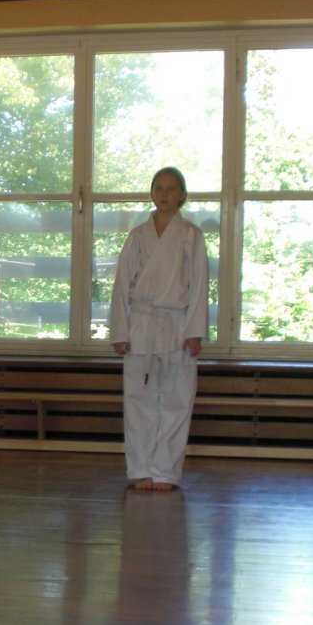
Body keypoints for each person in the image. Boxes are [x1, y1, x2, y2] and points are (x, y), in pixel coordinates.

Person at [108, 166, 208, 492]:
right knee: (139, 399)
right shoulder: (138, 236)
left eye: (171, 188)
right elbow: (122, 284)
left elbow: (199, 285)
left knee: (177, 400)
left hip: (178, 324)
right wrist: (120, 331)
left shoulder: (191, 235)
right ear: (152, 194)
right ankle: (141, 468)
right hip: (142, 324)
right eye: (159, 188)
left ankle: (165, 470)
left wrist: (195, 330)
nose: (164, 194)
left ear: (182, 195)